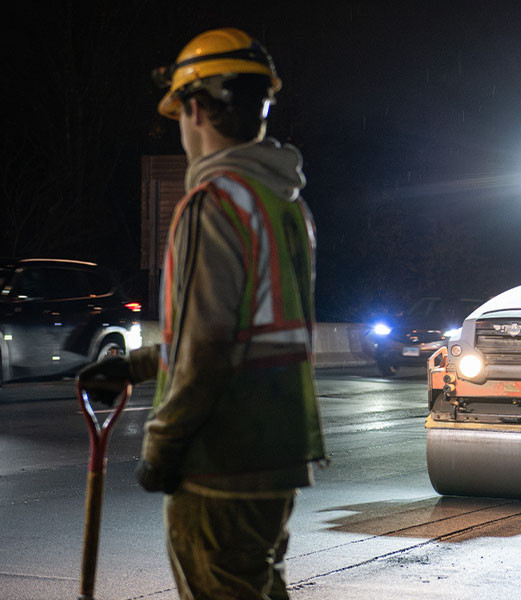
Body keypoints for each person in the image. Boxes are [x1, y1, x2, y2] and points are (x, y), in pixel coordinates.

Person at [78, 28, 323, 600]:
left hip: (219, 460)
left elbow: (206, 349)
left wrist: (161, 448)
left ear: (194, 108)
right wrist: (136, 367)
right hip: (278, 455)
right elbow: (249, 335)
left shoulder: (212, 204)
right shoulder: (286, 206)